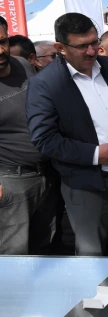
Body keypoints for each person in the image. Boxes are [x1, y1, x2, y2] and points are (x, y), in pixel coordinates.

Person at [25, 13, 108, 312]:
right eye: (83, 46)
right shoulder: (45, 85)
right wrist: (95, 154)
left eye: (95, 43)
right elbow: (44, 139)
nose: (92, 51)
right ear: (61, 47)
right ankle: (98, 315)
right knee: (94, 251)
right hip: (87, 183)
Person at [0, 22, 58, 255]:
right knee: (13, 255)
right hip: (10, 181)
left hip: (46, 174)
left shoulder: (23, 64)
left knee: (45, 248)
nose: (0, 50)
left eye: (2, 41)